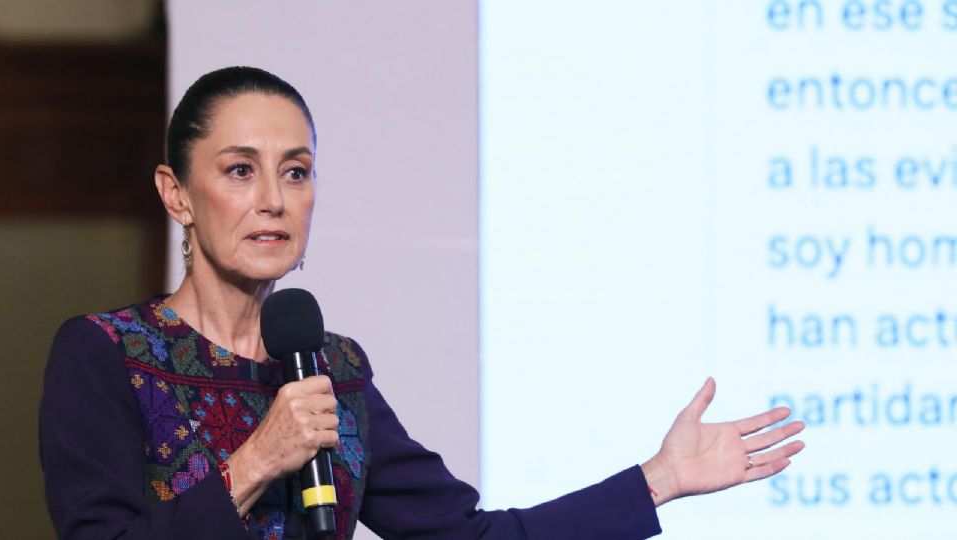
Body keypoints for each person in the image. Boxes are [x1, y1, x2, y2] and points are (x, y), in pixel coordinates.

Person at [39, 66, 805, 540]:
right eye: (240, 171)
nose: (273, 200)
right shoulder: (106, 354)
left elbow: (467, 538)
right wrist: (255, 464)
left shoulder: (332, 368)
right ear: (177, 193)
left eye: (297, 172)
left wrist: (658, 478)